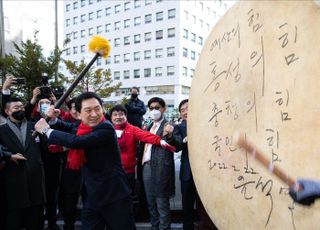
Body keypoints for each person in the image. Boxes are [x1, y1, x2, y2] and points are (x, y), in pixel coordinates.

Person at [35, 92, 136, 230]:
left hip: (114, 196)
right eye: (88, 110)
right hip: (94, 196)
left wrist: (47, 130)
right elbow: (71, 128)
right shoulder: (84, 126)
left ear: (103, 109)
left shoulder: (106, 128)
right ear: (78, 114)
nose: (94, 114)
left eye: (97, 109)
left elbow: (77, 141)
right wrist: (53, 120)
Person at [0, 97, 46, 230]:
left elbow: (47, 146)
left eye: (22, 107)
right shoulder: (1, 130)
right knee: (14, 220)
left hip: (35, 180)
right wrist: (9, 156)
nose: (20, 109)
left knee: (36, 220)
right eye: (16, 108)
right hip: (13, 180)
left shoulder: (35, 125)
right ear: (7, 111)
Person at [109, 104, 176, 194]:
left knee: (128, 199)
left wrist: (160, 141)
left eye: (121, 114)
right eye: (115, 115)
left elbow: (145, 135)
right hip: (112, 172)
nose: (118, 117)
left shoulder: (132, 129)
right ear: (111, 117)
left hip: (129, 172)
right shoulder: (108, 130)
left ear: (126, 116)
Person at [140, 97, 182, 230]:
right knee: (151, 204)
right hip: (146, 167)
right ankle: (155, 227)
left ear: (163, 109)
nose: (154, 111)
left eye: (157, 108)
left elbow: (178, 145)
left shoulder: (170, 126)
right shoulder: (148, 127)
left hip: (161, 169)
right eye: (151, 108)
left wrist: (169, 136)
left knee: (162, 205)